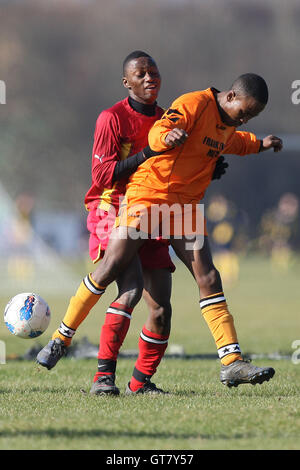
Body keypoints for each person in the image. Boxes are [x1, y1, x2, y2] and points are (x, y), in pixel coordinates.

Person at [36, 50, 229, 395]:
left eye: (153, 72)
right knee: (130, 289)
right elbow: (101, 174)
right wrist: (146, 155)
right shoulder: (111, 119)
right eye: (140, 74)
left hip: (155, 210)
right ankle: (92, 368)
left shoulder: (170, 118)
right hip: (111, 206)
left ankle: (141, 383)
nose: (149, 78)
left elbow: (177, 166)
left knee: (161, 310)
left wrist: (210, 166)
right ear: (127, 82)